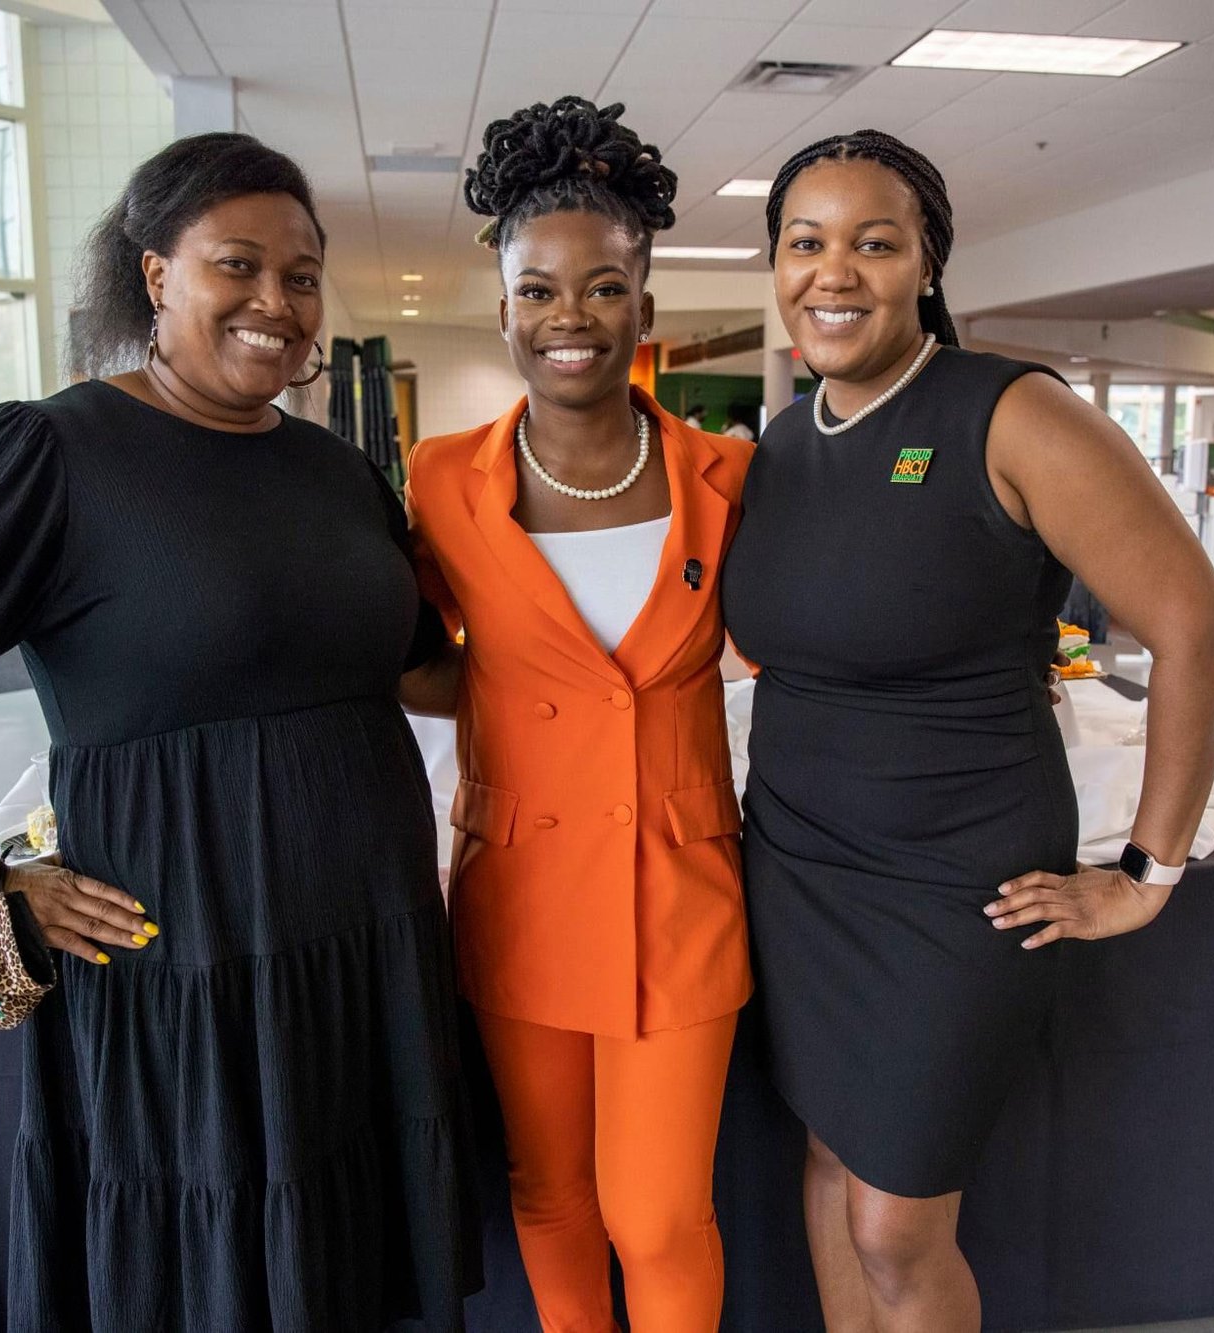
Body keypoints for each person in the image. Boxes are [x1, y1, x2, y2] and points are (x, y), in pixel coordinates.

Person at [0, 133, 478, 1332]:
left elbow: (420, 673)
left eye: (302, 274)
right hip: (184, 953)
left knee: (344, 1265)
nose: (277, 302)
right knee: (201, 1275)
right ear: (155, 274)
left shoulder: (337, 473)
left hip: (362, 938)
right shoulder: (52, 453)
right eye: (238, 266)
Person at [721, 130, 1214, 1332]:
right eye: (805, 242)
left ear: (926, 264)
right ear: (777, 264)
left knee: (896, 1221)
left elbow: (1192, 628)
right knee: (831, 1159)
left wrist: (1144, 872)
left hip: (954, 878)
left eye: (873, 242)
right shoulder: (786, 442)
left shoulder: (1009, 413)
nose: (832, 271)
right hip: (797, 866)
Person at [407, 96, 751, 1333]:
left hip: (680, 886)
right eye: (538, 290)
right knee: (547, 1192)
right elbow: (402, 652)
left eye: (602, 288)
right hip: (521, 883)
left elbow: (805, 640)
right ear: (500, 309)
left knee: (656, 1214)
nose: (569, 317)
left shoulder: (727, 478)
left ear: (643, 308)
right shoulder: (443, 479)